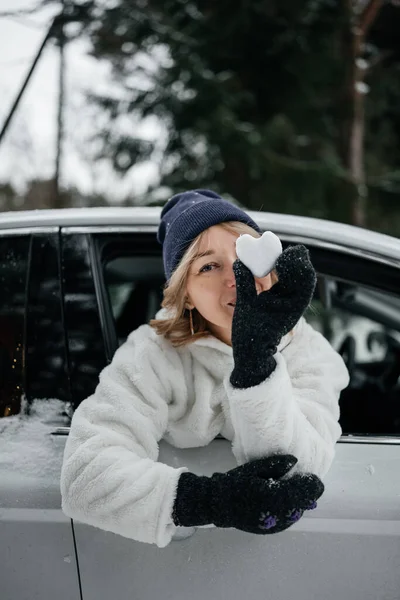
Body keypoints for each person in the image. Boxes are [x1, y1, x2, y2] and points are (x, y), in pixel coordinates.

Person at [60, 189, 350, 547]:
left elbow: (297, 470)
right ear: (185, 295)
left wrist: (256, 366)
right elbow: (84, 476)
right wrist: (208, 501)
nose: (235, 277)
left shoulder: (307, 351)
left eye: (245, 254)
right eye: (209, 266)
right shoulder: (153, 353)